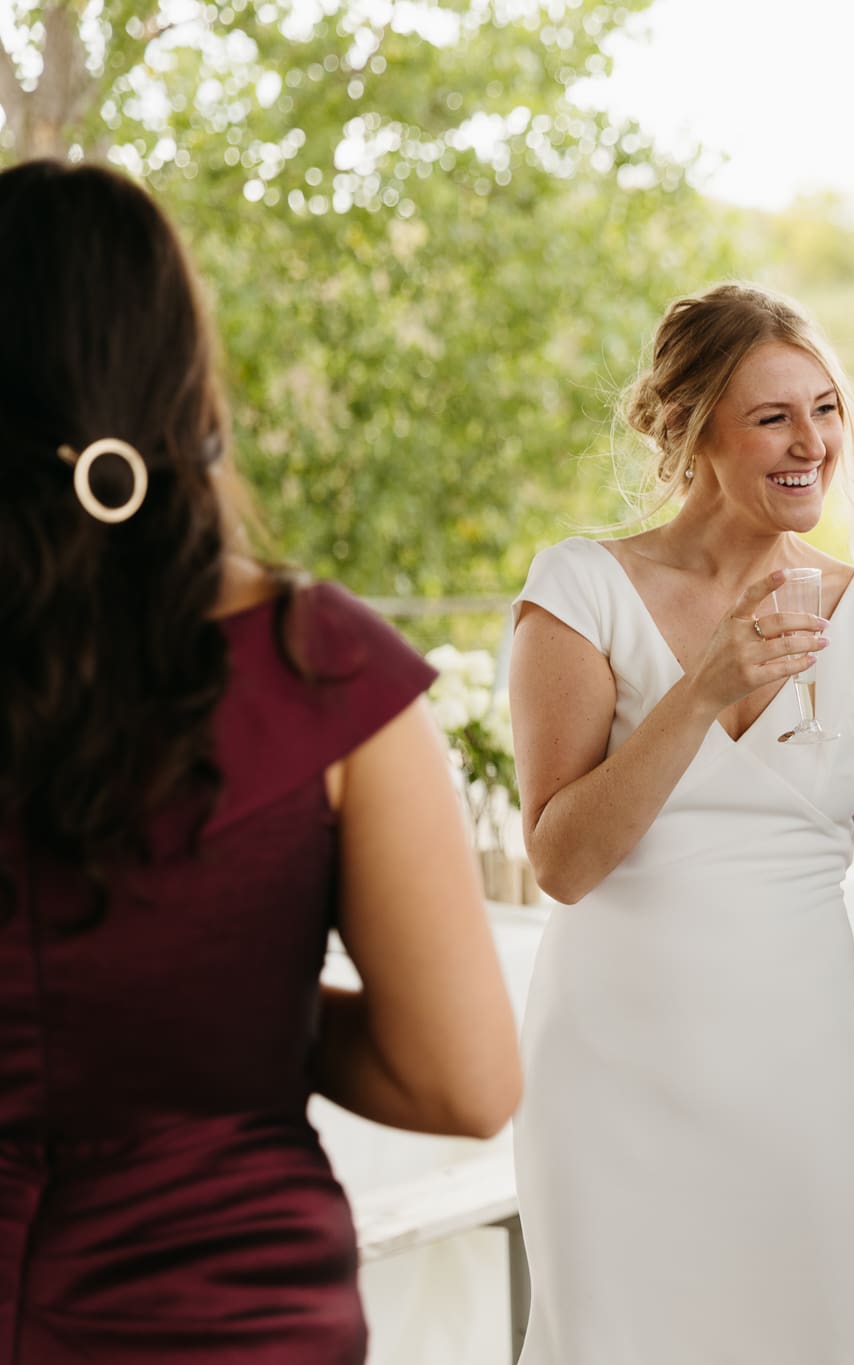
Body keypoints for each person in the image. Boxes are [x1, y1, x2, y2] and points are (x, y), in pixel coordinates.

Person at [0, 160, 521, 1363]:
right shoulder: (320, 668)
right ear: (180, 375)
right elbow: (462, 1080)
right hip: (225, 1324)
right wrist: (241, 1012)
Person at [507, 283, 854, 1363]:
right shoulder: (580, 591)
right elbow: (562, 862)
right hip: (611, 1082)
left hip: (808, 1079)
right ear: (694, 429)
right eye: (773, 417)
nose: (812, 444)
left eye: (828, 409)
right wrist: (701, 689)